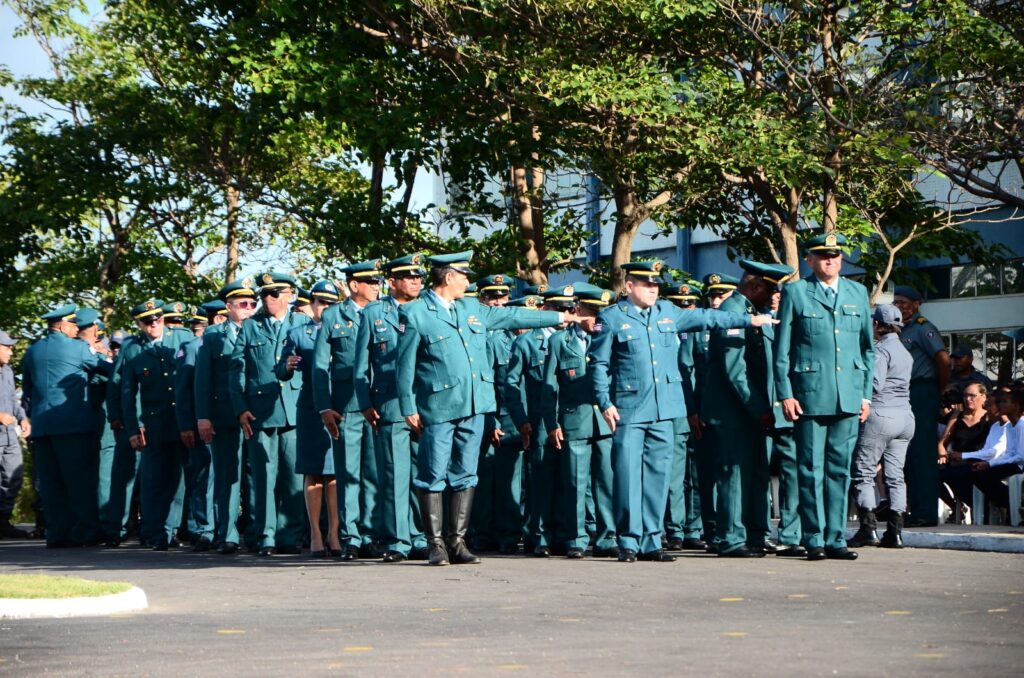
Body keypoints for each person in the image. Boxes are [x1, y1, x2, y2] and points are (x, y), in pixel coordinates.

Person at [396, 251, 578, 566]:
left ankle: (457, 541)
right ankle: (435, 544)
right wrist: (407, 406)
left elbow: (514, 316)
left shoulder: (471, 308)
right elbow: (404, 365)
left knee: (466, 474)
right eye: (463, 276)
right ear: (448, 277)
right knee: (433, 474)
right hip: (439, 406)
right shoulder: (416, 313)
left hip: (475, 404)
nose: (467, 281)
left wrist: (559, 318)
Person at [589, 260, 777, 563]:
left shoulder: (667, 312)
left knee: (658, 477)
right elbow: (597, 364)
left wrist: (749, 320)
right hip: (629, 409)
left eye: (656, 285)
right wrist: (604, 402)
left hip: (665, 408)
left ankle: (652, 541)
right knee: (627, 476)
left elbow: (707, 317)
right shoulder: (611, 317)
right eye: (647, 284)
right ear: (630, 286)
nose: (653, 289)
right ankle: (628, 540)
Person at [773, 233, 874, 561]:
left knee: (840, 470)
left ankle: (836, 538)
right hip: (810, 395)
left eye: (835, 255)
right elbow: (782, 350)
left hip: (848, 395)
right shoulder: (797, 292)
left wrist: (865, 395)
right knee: (810, 468)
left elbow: (866, 349)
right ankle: (813, 537)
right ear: (810, 260)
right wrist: (785, 394)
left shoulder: (857, 292)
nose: (830, 260)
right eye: (822, 255)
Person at [704, 262, 795, 557]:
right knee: (734, 475)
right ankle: (731, 538)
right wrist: (759, 408)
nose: (772, 296)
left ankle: (756, 534)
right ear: (755, 287)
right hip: (733, 411)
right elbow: (735, 370)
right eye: (769, 289)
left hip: (751, 411)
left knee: (756, 473)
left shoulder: (751, 311)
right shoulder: (732, 312)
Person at [354, 255, 430, 562]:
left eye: (419, 277)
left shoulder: (427, 309)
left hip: (424, 404)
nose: (416, 282)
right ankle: (399, 540)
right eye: (409, 277)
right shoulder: (375, 313)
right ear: (392, 282)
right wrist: (365, 403)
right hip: (390, 404)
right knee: (395, 476)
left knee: (423, 475)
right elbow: (361, 366)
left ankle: (421, 537)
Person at [230, 272, 308, 556]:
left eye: (274, 293)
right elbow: (237, 371)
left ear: (289, 295)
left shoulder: (301, 323)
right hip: (260, 412)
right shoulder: (251, 326)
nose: (268, 299)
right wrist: (241, 408)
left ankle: (290, 535)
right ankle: (266, 535)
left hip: (295, 409)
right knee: (263, 477)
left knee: (293, 476)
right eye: (264, 294)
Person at [21, 304, 112, 547]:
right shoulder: (78, 348)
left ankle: (57, 534)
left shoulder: (33, 351)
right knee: (79, 481)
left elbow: (27, 389)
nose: (76, 329)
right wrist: (104, 355)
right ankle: (87, 531)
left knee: (51, 483)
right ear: (62, 327)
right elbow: (108, 370)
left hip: (43, 426)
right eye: (73, 325)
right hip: (73, 426)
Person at [313, 259, 383, 560]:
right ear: (355, 285)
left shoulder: (384, 312)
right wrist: (324, 406)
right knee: (348, 472)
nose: (377, 287)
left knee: (374, 473)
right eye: (372, 282)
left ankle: (371, 533)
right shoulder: (334, 315)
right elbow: (320, 365)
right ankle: (351, 536)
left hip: (377, 404)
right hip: (346, 406)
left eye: (379, 282)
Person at [542, 283, 618, 559]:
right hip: (574, 421)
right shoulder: (559, 341)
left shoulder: (609, 337)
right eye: (592, 312)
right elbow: (549, 387)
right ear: (577, 309)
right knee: (575, 482)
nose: (596, 319)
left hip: (605, 422)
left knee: (607, 481)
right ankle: (576, 537)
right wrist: (552, 423)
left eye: (601, 313)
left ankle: (608, 537)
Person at [504, 287, 575, 557]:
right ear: (546, 310)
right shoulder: (526, 342)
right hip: (540, 420)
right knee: (542, 479)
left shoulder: (572, 339)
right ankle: (540, 536)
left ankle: (565, 533)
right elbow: (511, 385)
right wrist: (521, 420)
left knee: (568, 479)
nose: (567, 313)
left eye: (570, 309)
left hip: (570, 417)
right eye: (561, 309)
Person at [120, 298, 194, 550]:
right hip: (153, 425)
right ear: (139, 324)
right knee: (153, 481)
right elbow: (128, 393)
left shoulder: (182, 338)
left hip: (181, 421)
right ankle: (153, 532)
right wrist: (133, 428)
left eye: (158, 319)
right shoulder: (132, 348)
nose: (154, 324)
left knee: (178, 482)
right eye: (147, 321)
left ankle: (170, 530)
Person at [279, 279, 342, 558]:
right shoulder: (298, 333)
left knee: (335, 472)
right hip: (310, 407)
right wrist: (287, 365)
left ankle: (334, 532)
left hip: (338, 403)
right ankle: (315, 533)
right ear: (312, 303)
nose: (325, 308)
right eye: (321, 302)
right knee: (313, 471)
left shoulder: (344, 328)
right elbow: (280, 370)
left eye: (331, 303)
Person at [195, 279, 258, 554]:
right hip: (223, 415)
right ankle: (228, 533)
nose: (249, 308)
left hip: (255, 415)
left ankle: (256, 533)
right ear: (229, 307)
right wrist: (203, 416)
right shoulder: (213, 336)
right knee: (227, 477)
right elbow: (202, 380)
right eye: (243, 304)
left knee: (255, 476)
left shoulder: (260, 330)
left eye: (253, 304)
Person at [849, 304, 915, 548]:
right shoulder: (905, 352)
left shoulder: (880, 351)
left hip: (881, 414)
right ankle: (895, 533)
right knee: (896, 476)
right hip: (905, 417)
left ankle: (868, 529)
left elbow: (874, 384)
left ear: (877, 324)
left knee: (864, 471)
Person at [465, 273, 516, 553]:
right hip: (488, 415)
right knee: (484, 478)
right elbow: (484, 381)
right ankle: (481, 533)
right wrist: (490, 419)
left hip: (512, 416)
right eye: (492, 297)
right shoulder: (481, 335)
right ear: (481, 299)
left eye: (503, 296)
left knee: (509, 479)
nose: (498, 302)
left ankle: (507, 533)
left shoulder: (511, 334)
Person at [892, 285, 950, 527]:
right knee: (909, 454)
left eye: (904, 303)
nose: (900, 307)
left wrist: (940, 389)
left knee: (923, 453)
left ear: (917, 304)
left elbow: (943, 359)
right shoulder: (899, 329)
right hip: (904, 393)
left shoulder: (923, 327)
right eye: (896, 303)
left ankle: (926, 513)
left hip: (922, 390)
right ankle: (915, 510)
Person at [661, 280, 707, 552]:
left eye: (689, 306)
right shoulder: (664, 336)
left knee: (699, 475)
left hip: (703, 411)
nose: (685, 310)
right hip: (678, 413)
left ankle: (694, 528)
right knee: (676, 477)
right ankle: (675, 529)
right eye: (679, 306)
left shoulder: (703, 334)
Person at [943, 389, 1024, 518]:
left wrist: (990, 464)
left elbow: (1020, 456)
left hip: (1019, 466)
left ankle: (1013, 505)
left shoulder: (1022, 425)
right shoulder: (1009, 426)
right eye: (999, 402)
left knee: (980, 475)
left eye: (1004, 402)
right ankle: (1007, 505)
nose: (1000, 405)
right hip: (1011, 463)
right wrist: (989, 464)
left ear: (1016, 406)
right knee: (975, 473)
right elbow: (1009, 453)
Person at [937, 381, 993, 519]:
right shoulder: (957, 416)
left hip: (978, 461)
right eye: (965, 396)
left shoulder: (989, 417)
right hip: (956, 460)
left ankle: (983, 508)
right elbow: (942, 442)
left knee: (959, 475)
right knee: (933, 475)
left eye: (972, 396)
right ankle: (954, 506)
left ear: (983, 397)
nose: (968, 399)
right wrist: (942, 454)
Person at [0, 329, 31, 538]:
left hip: (9, 436)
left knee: (13, 477)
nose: (11, 351)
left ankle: (3, 521)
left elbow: (13, 399)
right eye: (7, 347)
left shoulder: (8, 371)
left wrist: (23, 418)